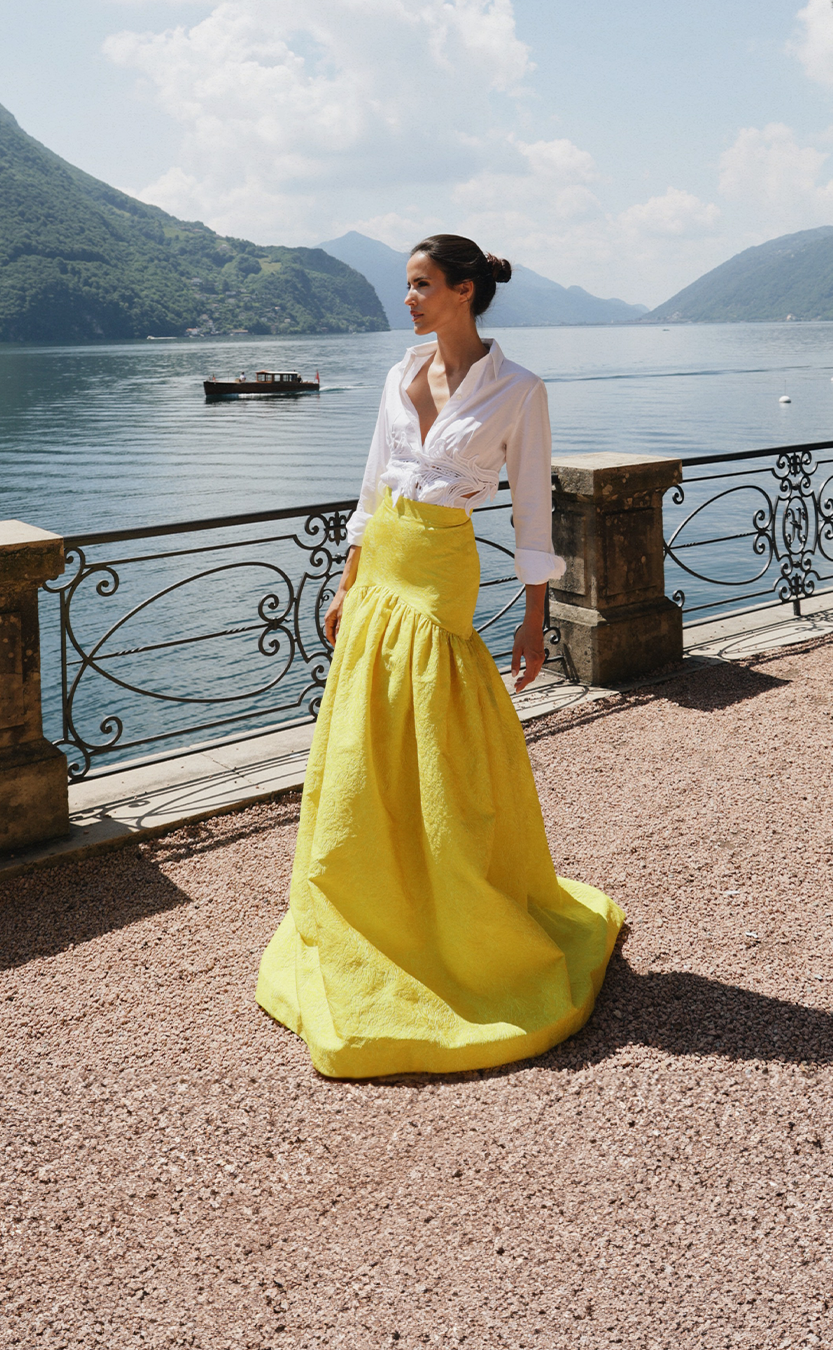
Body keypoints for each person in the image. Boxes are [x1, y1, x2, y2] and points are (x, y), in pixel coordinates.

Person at [256, 234, 624, 1078]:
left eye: (422, 286)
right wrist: (347, 585)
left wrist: (536, 620)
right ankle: (371, 893)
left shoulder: (519, 390)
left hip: (440, 570)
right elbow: (371, 485)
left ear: (463, 291)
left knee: (439, 727)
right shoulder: (398, 374)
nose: (410, 299)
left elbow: (534, 509)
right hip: (383, 560)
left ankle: (454, 900)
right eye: (409, 286)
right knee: (362, 734)